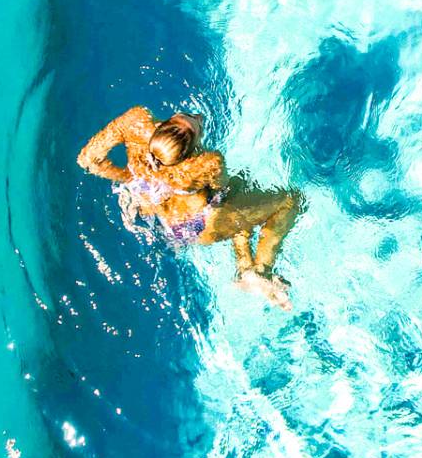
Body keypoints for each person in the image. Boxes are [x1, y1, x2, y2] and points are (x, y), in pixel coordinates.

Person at [76, 106, 301, 309]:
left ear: (166, 123)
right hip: (204, 225)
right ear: (190, 152)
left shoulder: (135, 121)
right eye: (197, 126)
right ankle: (261, 270)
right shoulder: (207, 163)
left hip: (169, 225)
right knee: (288, 200)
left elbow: (87, 159)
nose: (198, 117)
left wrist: (129, 178)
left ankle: (245, 267)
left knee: (240, 195)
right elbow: (221, 189)